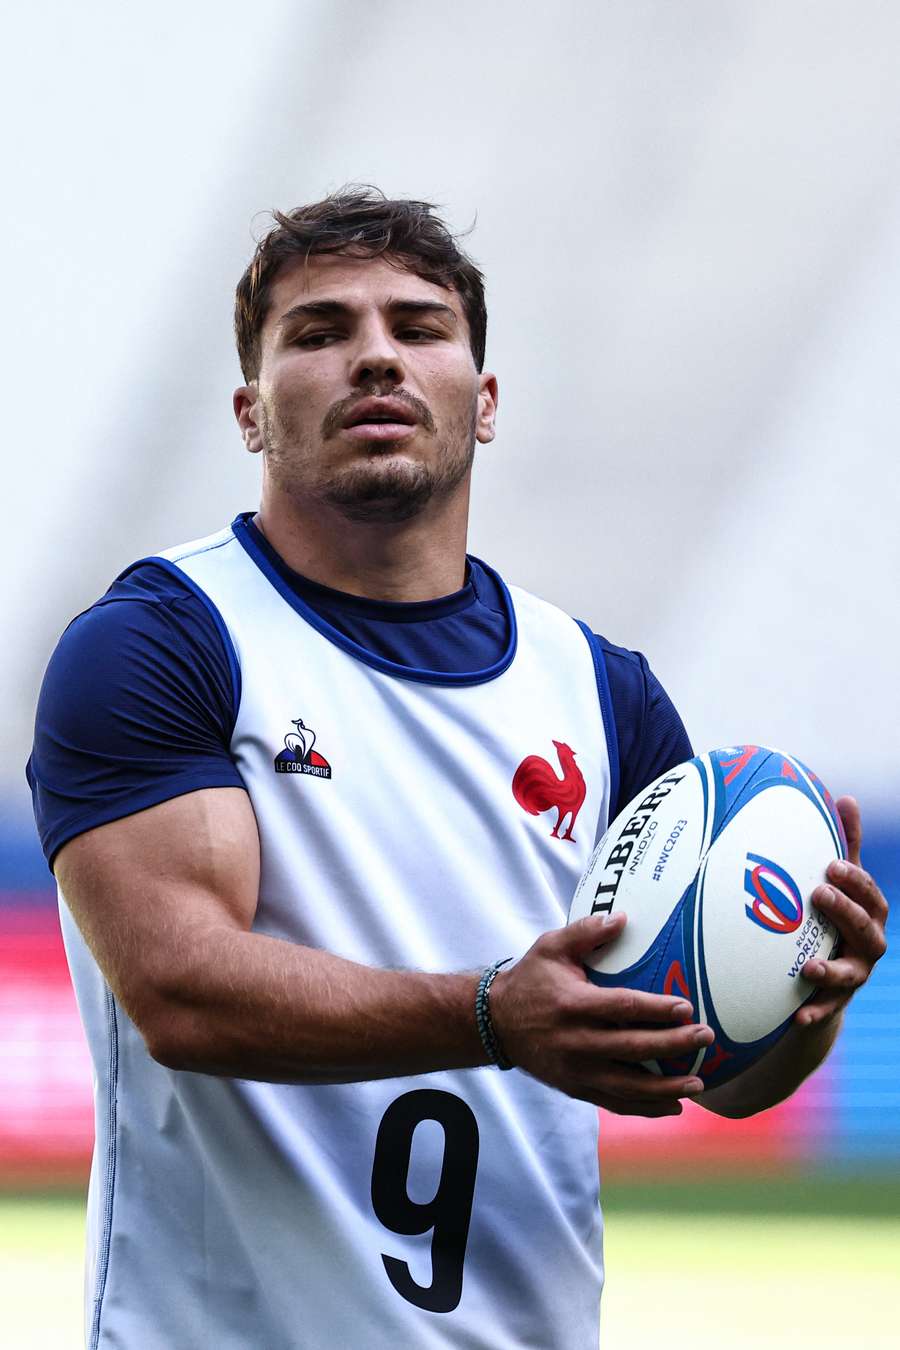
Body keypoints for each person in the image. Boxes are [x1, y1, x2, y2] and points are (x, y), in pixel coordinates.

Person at [28, 189, 887, 1350]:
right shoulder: (164, 642)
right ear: (249, 410)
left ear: (482, 403)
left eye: (419, 328)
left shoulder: (600, 689)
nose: (374, 356)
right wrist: (493, 1017)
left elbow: (711, 1077)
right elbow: (181, 992)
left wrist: (803, 1003)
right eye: (320, 332)